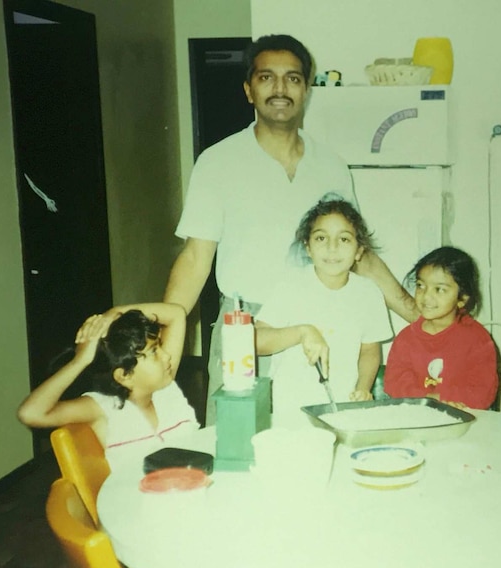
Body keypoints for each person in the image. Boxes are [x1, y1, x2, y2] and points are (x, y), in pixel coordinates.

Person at [164, 34, 415, 425]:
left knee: (321, 440)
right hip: (246, 329)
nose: (280, 89)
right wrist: (167, 340)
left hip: (323, 329)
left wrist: (417, 314)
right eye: (267, 77)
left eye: (293, 78)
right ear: (249, 90)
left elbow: (359, 256)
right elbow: (196, 259)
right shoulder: (218, 162)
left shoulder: (331, 165)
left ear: (306, 90)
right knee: (237, 444)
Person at [255, 199, 393, 427]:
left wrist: (362, 388)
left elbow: (370, 350)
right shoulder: (290, 286)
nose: (332, 247)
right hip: (291, 410)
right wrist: (302, 332)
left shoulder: (368, 293)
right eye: (321, 238)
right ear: (308, 247)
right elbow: (256, 341)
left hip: (342, 408)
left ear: (359, 251)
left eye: (344, 239)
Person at [17, 303, 199, 471]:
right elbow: (30, 413)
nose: (166, 356)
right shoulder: (103, 409)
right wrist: (80, 361)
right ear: (125, 376)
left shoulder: (164, 388)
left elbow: (176, 314)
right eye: (153, 352)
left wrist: (113, 314)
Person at [383, 246, 498, 412]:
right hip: (417, 417)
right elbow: (394, 384)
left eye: (439, 289)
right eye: (421, 285)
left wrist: (442, 397)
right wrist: (428, 399)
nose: (426, 296)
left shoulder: (477, 339)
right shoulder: (406, 338)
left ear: (462, 299)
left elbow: (483, 392)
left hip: (463, 419)